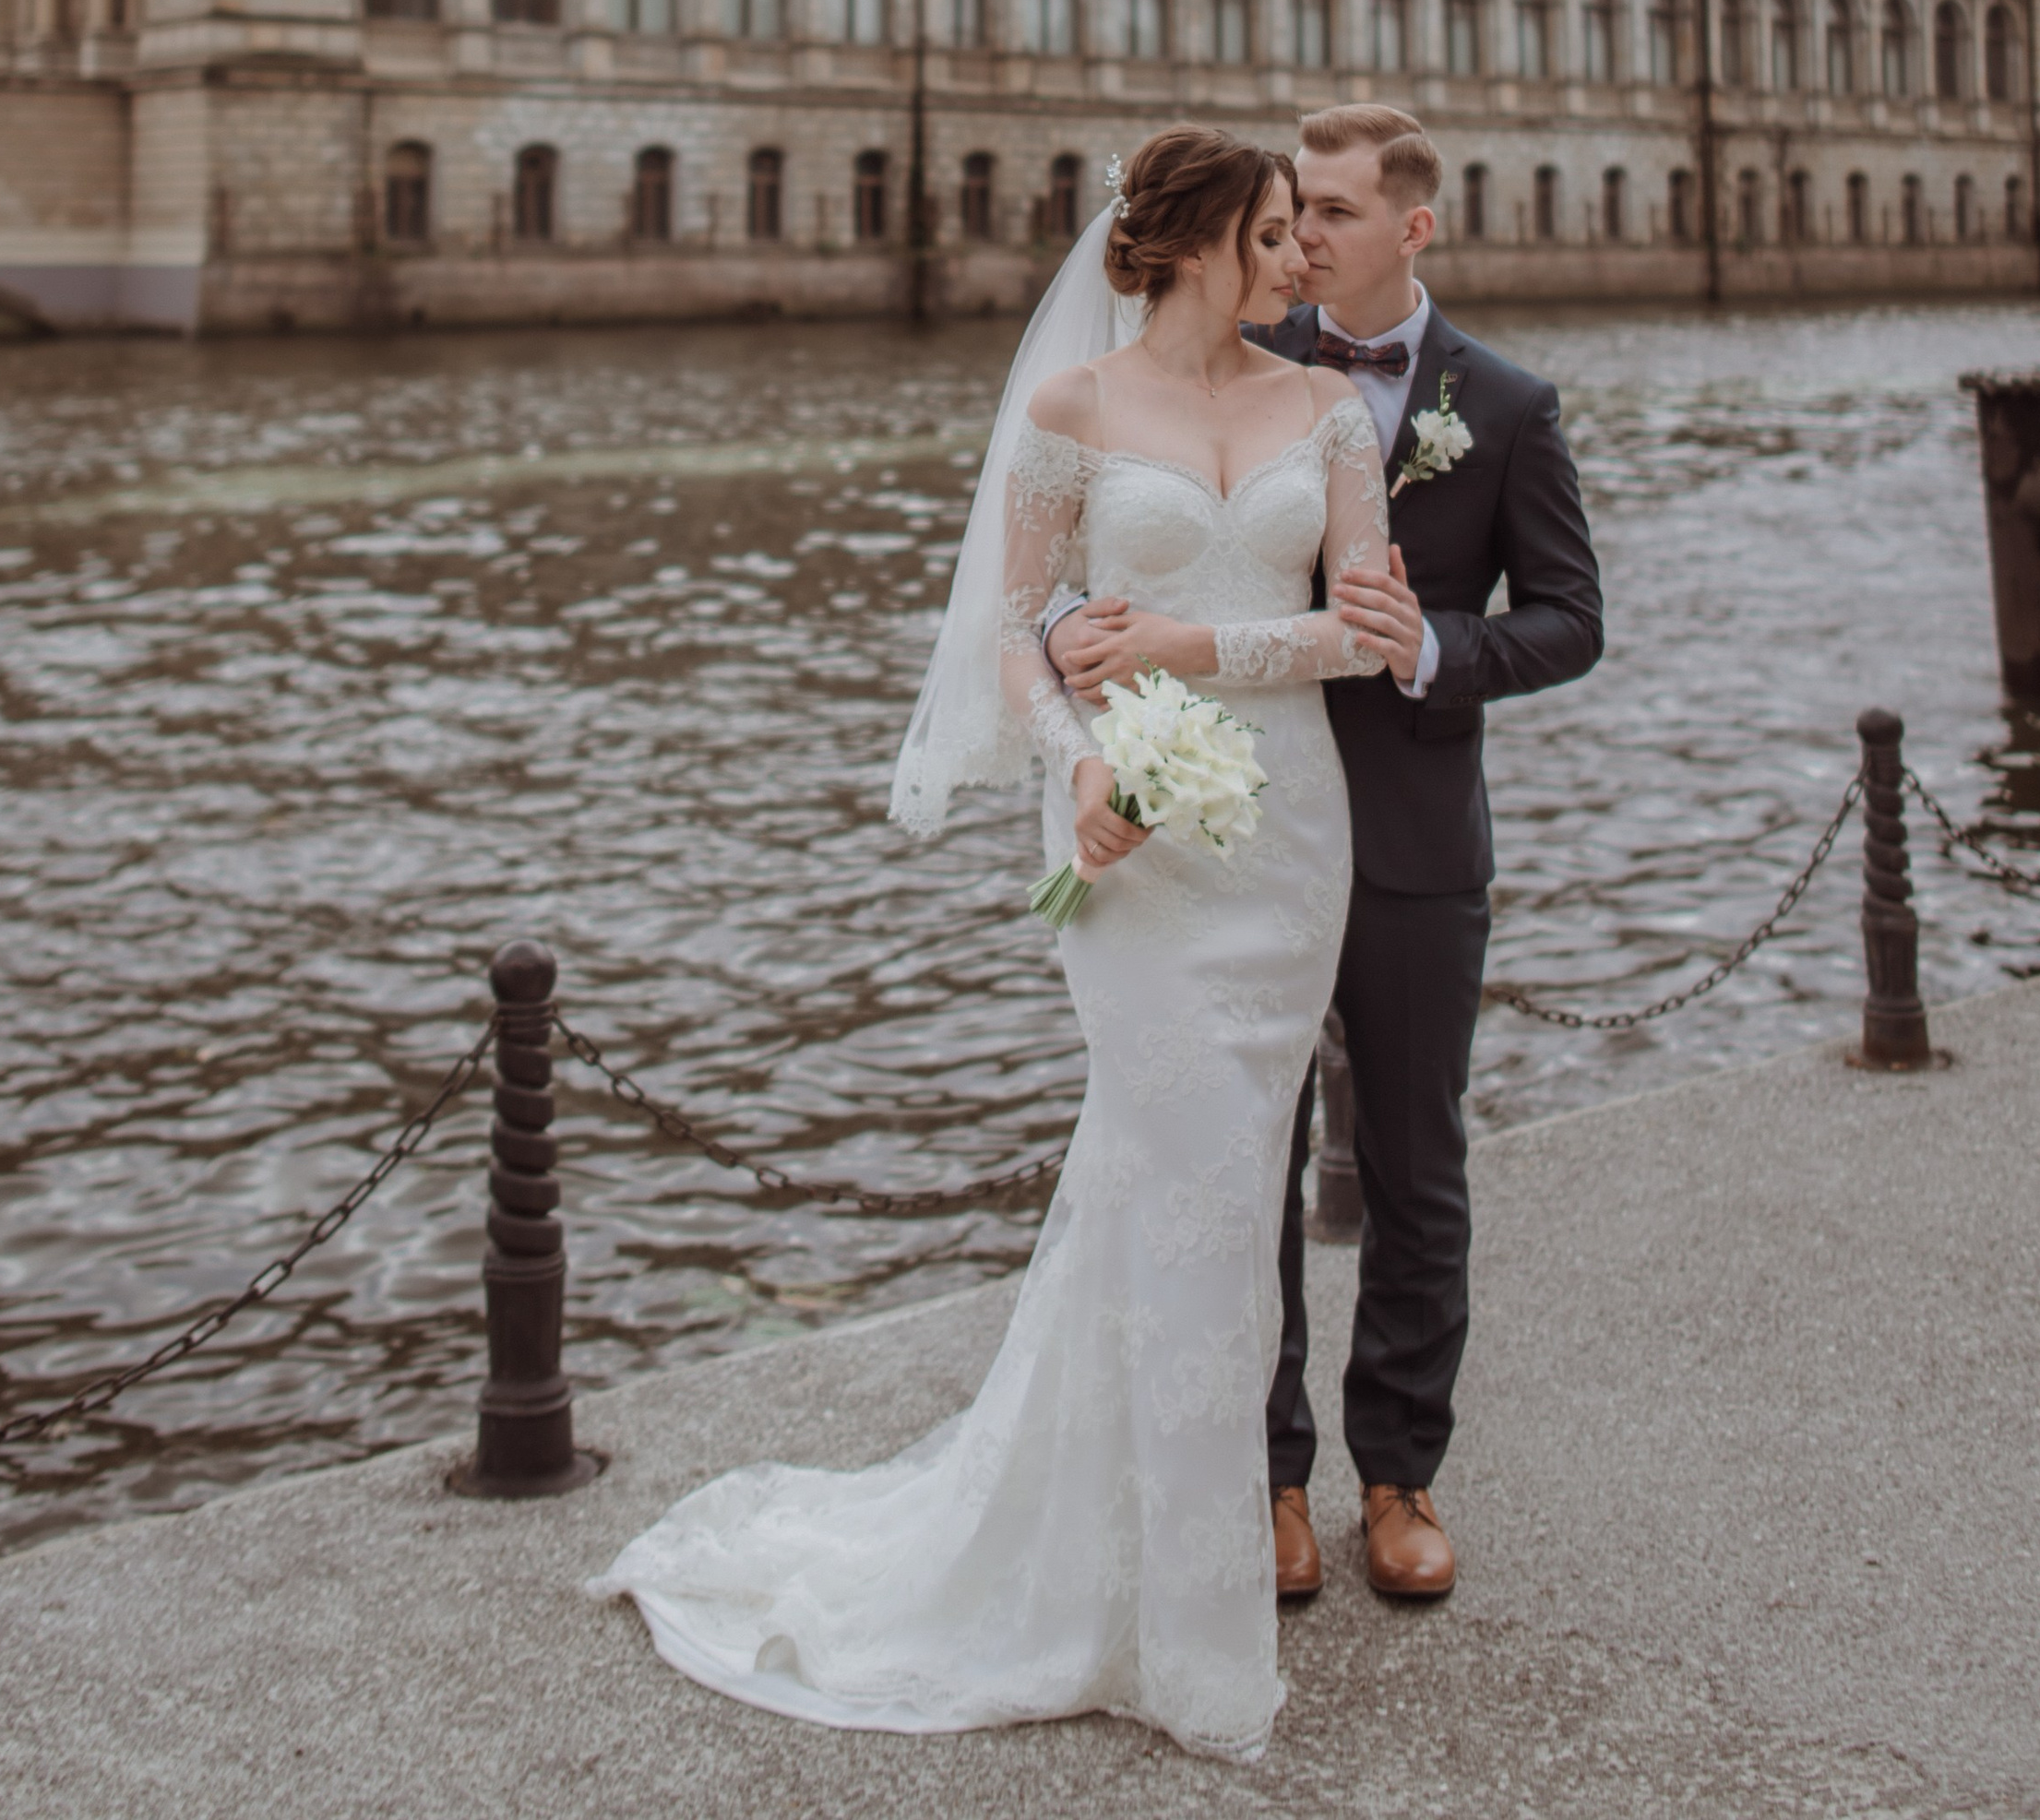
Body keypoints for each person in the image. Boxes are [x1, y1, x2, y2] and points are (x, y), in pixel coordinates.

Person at [590, 128, 1412, 1760]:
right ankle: (1187, 1627)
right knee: (1181, 1186)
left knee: (1202, 1200)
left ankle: (1141, 1570)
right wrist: (1083, 767)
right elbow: (1014, 636)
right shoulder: (1071, 410)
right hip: (1125, 841)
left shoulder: (1329, 408)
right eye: (1270, 235)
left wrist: (1189, 642)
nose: (1297, 259)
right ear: (1192, 246)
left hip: (1283, 841)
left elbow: (1365, 629)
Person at [1059, 103, 1602, 1606]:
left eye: (1335, 215)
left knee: (1417, 1164)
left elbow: (1571, 619)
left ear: (1412, 229)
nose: (1303, 238)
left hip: (1413, 835)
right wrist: (1084, 677)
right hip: (1237, 826)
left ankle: (1401, 1475)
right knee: (1249, 1165)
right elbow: (1107, 551)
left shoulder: (1506, 404)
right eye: (1291, 214)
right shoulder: (1237, 356)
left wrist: (1432, 650)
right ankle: (1274, 1474)